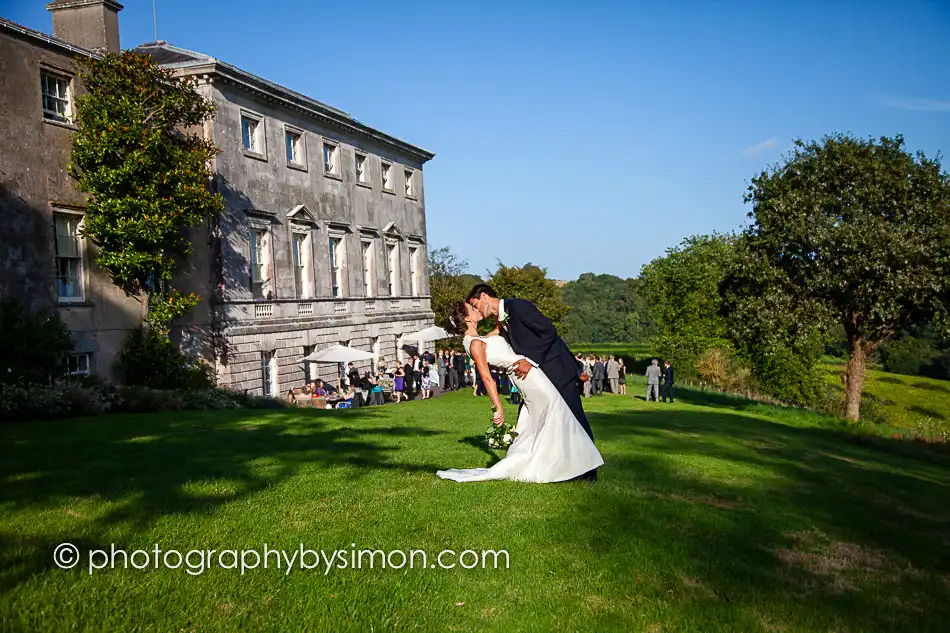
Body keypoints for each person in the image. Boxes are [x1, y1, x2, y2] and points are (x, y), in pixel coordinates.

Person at [436, 301, 603, 484]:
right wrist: (498, 407)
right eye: (472, 309)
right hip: (527, 378)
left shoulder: (479, 339)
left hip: (530, 374)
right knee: (557, 412)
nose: (477, 310)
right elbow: (486, 378)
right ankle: (563, 466)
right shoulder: (475, 344)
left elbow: (499, 332)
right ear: (467, 318)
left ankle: (565, 464)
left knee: (548, 417)